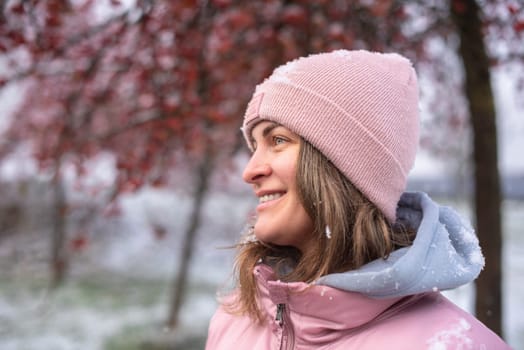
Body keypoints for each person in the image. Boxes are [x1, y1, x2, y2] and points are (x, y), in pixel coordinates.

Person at [205, 50, 511, 349]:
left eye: (278, 140)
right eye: (254, 147)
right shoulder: (235, 320)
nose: (250, 171)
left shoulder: (454, 343)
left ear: (346, 168)